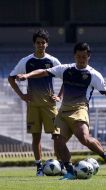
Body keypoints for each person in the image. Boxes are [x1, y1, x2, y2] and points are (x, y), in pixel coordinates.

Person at [16, 42, 106, 180]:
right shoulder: (66, 69)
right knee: (58, 140)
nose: (81, 59)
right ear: (75, 56)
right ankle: (70, 171)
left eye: (84, 57)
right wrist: (28, 76)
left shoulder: (94, 75)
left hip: (79, 109)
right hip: (63, 112)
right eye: (79, 56)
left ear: (89, 57)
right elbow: (44, 72)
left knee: (84, 138)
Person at [8, 29, 63, 176]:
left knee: (57, 136)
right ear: (34, 44)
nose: (40, 45)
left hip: (49, 105)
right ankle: (39, 167)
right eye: (38, 42)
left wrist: (59, 96)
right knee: (36, 136)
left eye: (43, 43)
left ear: (47, 44)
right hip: (33, 105)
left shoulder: (52, 61)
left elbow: (67, 77)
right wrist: (21, 95)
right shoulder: (26, 61)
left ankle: (61, 165)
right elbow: (11, 78)